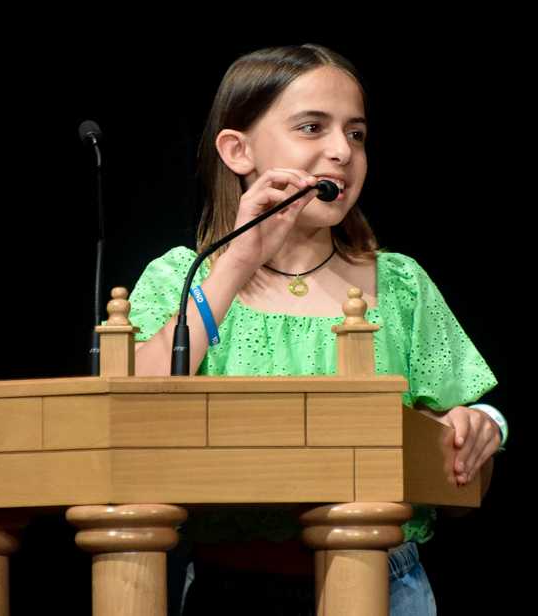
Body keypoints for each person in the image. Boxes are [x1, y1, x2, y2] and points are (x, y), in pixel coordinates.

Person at [127, 44, 507, 615]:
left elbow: (459, 484)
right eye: (312, 127)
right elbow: (128, 413)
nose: (341, 152)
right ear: (238, 150)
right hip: (229, 586)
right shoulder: (180, 278)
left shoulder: (398, 284)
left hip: (383, 580)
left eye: (356, 134)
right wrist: (236, 263)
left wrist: (476, 430)